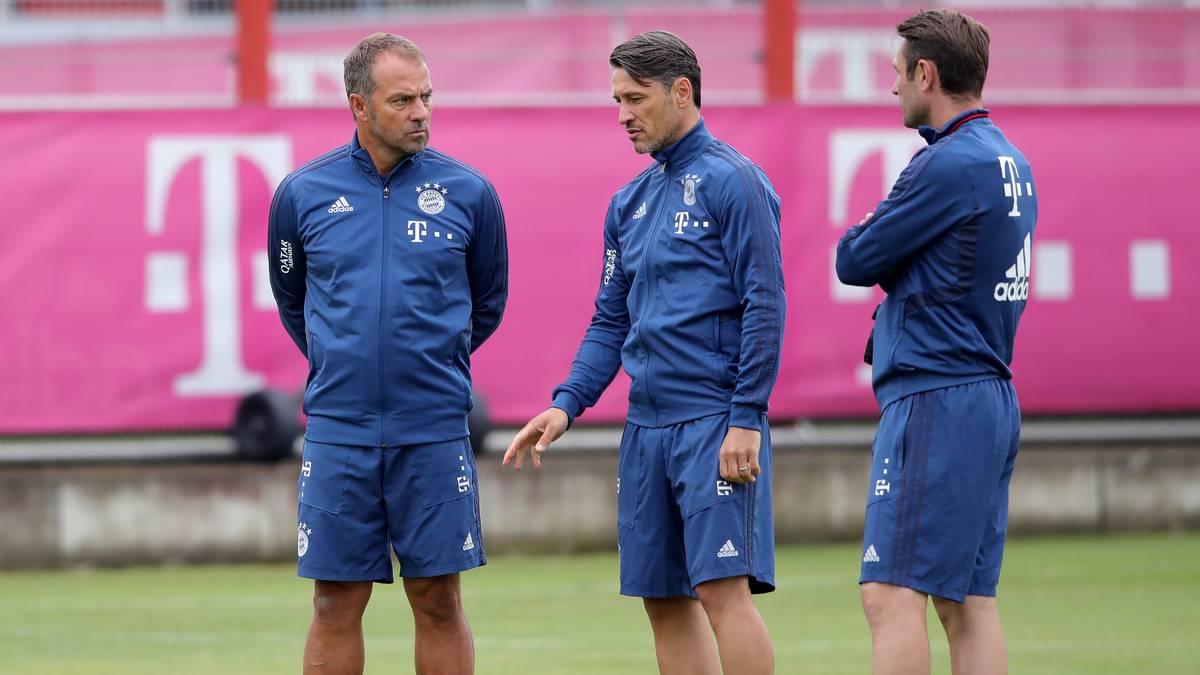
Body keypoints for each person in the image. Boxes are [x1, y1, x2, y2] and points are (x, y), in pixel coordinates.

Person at [503, 30, 785, 675]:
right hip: (646, 428)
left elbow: (766, 306)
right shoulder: (627, 203)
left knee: (720, 591)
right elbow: (610, 321)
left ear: (680, 92)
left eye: (635, 98)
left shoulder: (735, 183)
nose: (623, 115)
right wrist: (566, 405)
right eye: (616, 100)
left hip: (714, 420)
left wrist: (747, 417)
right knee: (663, 600)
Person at [268, 32, 507, 675]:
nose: (421, 111)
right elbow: (296, 304)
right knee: (333, 602)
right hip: (339, 432)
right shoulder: (300, 194)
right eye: (403, 100)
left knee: (437, 599)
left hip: (431, 430)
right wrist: (344, 361)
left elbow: (486, 304)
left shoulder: (471, 194)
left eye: (427, 97)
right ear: (359, 106)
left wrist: (428, 361)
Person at [835, 9, 1037, 675]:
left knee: (889, 592)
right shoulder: (1010, 159)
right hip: (989, 394)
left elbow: (855, 257)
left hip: (935, 400)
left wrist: (882, 238)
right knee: (969, 601)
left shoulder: (944, 166)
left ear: (927, 72)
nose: (893, 88)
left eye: (897, 73)